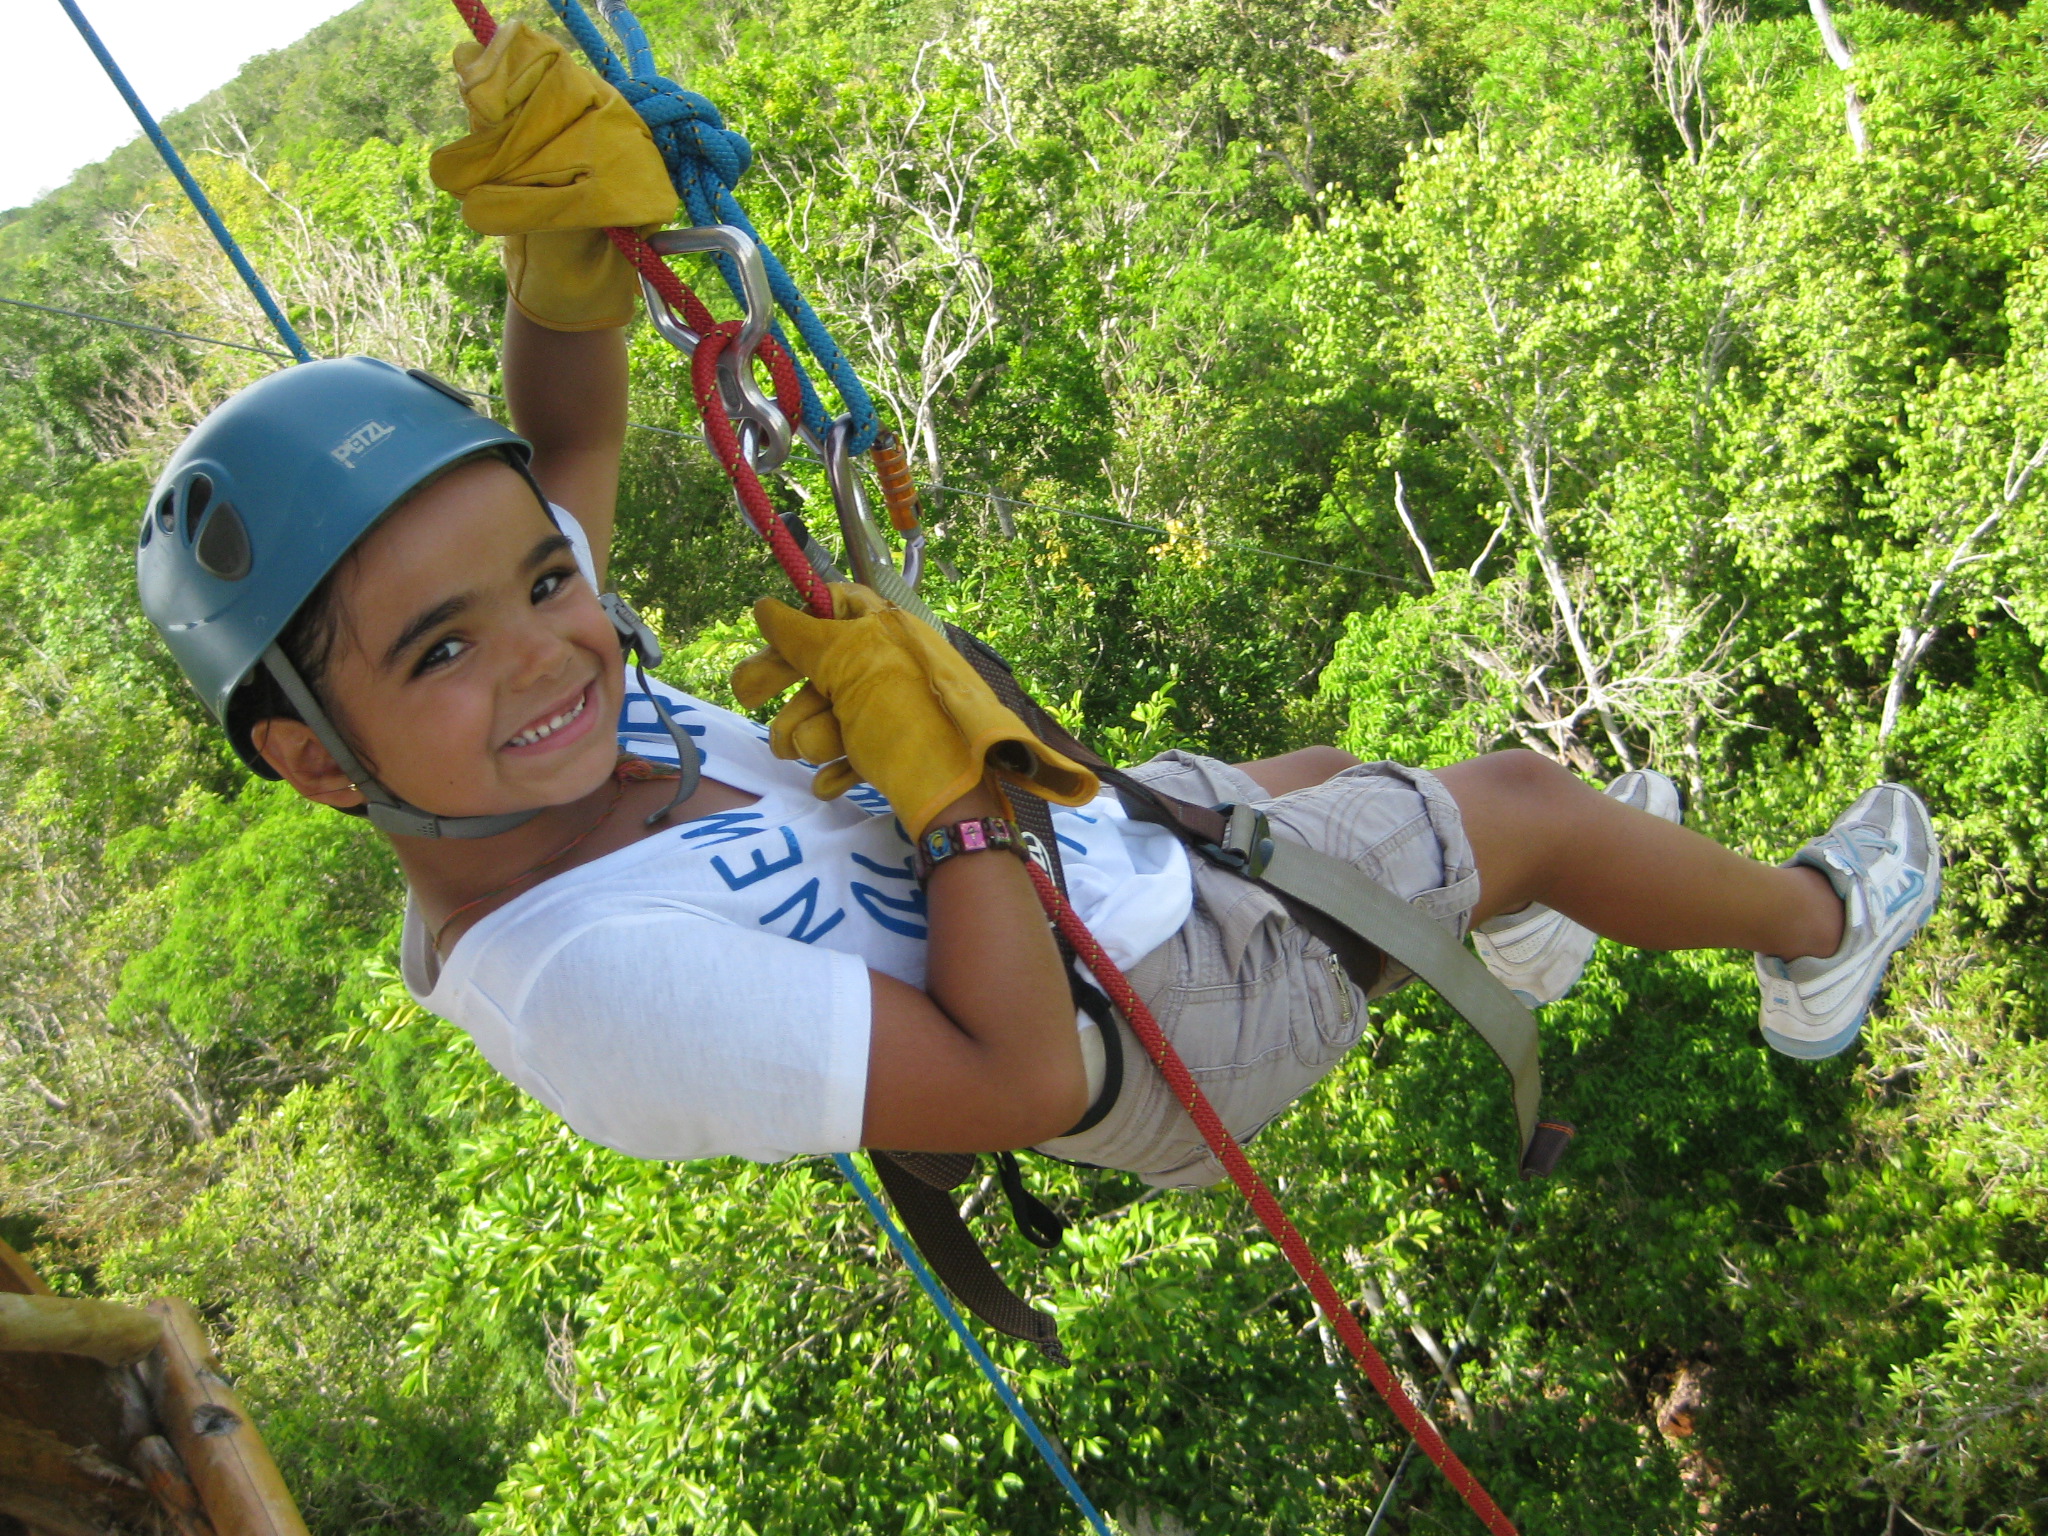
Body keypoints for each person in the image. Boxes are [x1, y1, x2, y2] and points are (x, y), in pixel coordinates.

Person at [133, 22, 1940, 1189]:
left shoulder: (535, 734)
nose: (555, 644)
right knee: (1522, 805)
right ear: (311, 754)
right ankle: (1812, 932)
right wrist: (949, 786)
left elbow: (565, 439)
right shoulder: (590, 989)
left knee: (1311, 770)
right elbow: (1013, 1083)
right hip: (1142, 1023)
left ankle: (1495, 914)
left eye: (541, 581)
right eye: (443, 647)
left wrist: (562, 260)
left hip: (1101, 890)